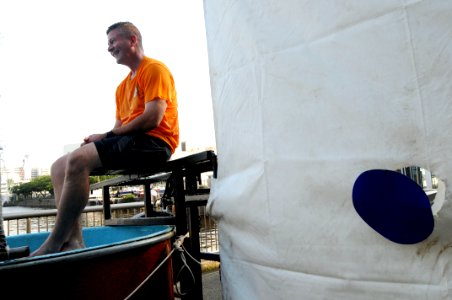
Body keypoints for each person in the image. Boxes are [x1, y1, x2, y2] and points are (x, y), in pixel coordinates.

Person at [31, 21, 179, 256]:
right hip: (132, 142)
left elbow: (153, 117)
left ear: (132, 40)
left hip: (155, 142)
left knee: (79, 158)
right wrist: (98, 141)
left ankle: (54, 241)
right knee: (59, 166)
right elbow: (119, 129)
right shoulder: (121, 88)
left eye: (113, 41)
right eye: (108, 43)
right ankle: (74, 241)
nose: (109, 48)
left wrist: (105, 137)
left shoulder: (154, 69)